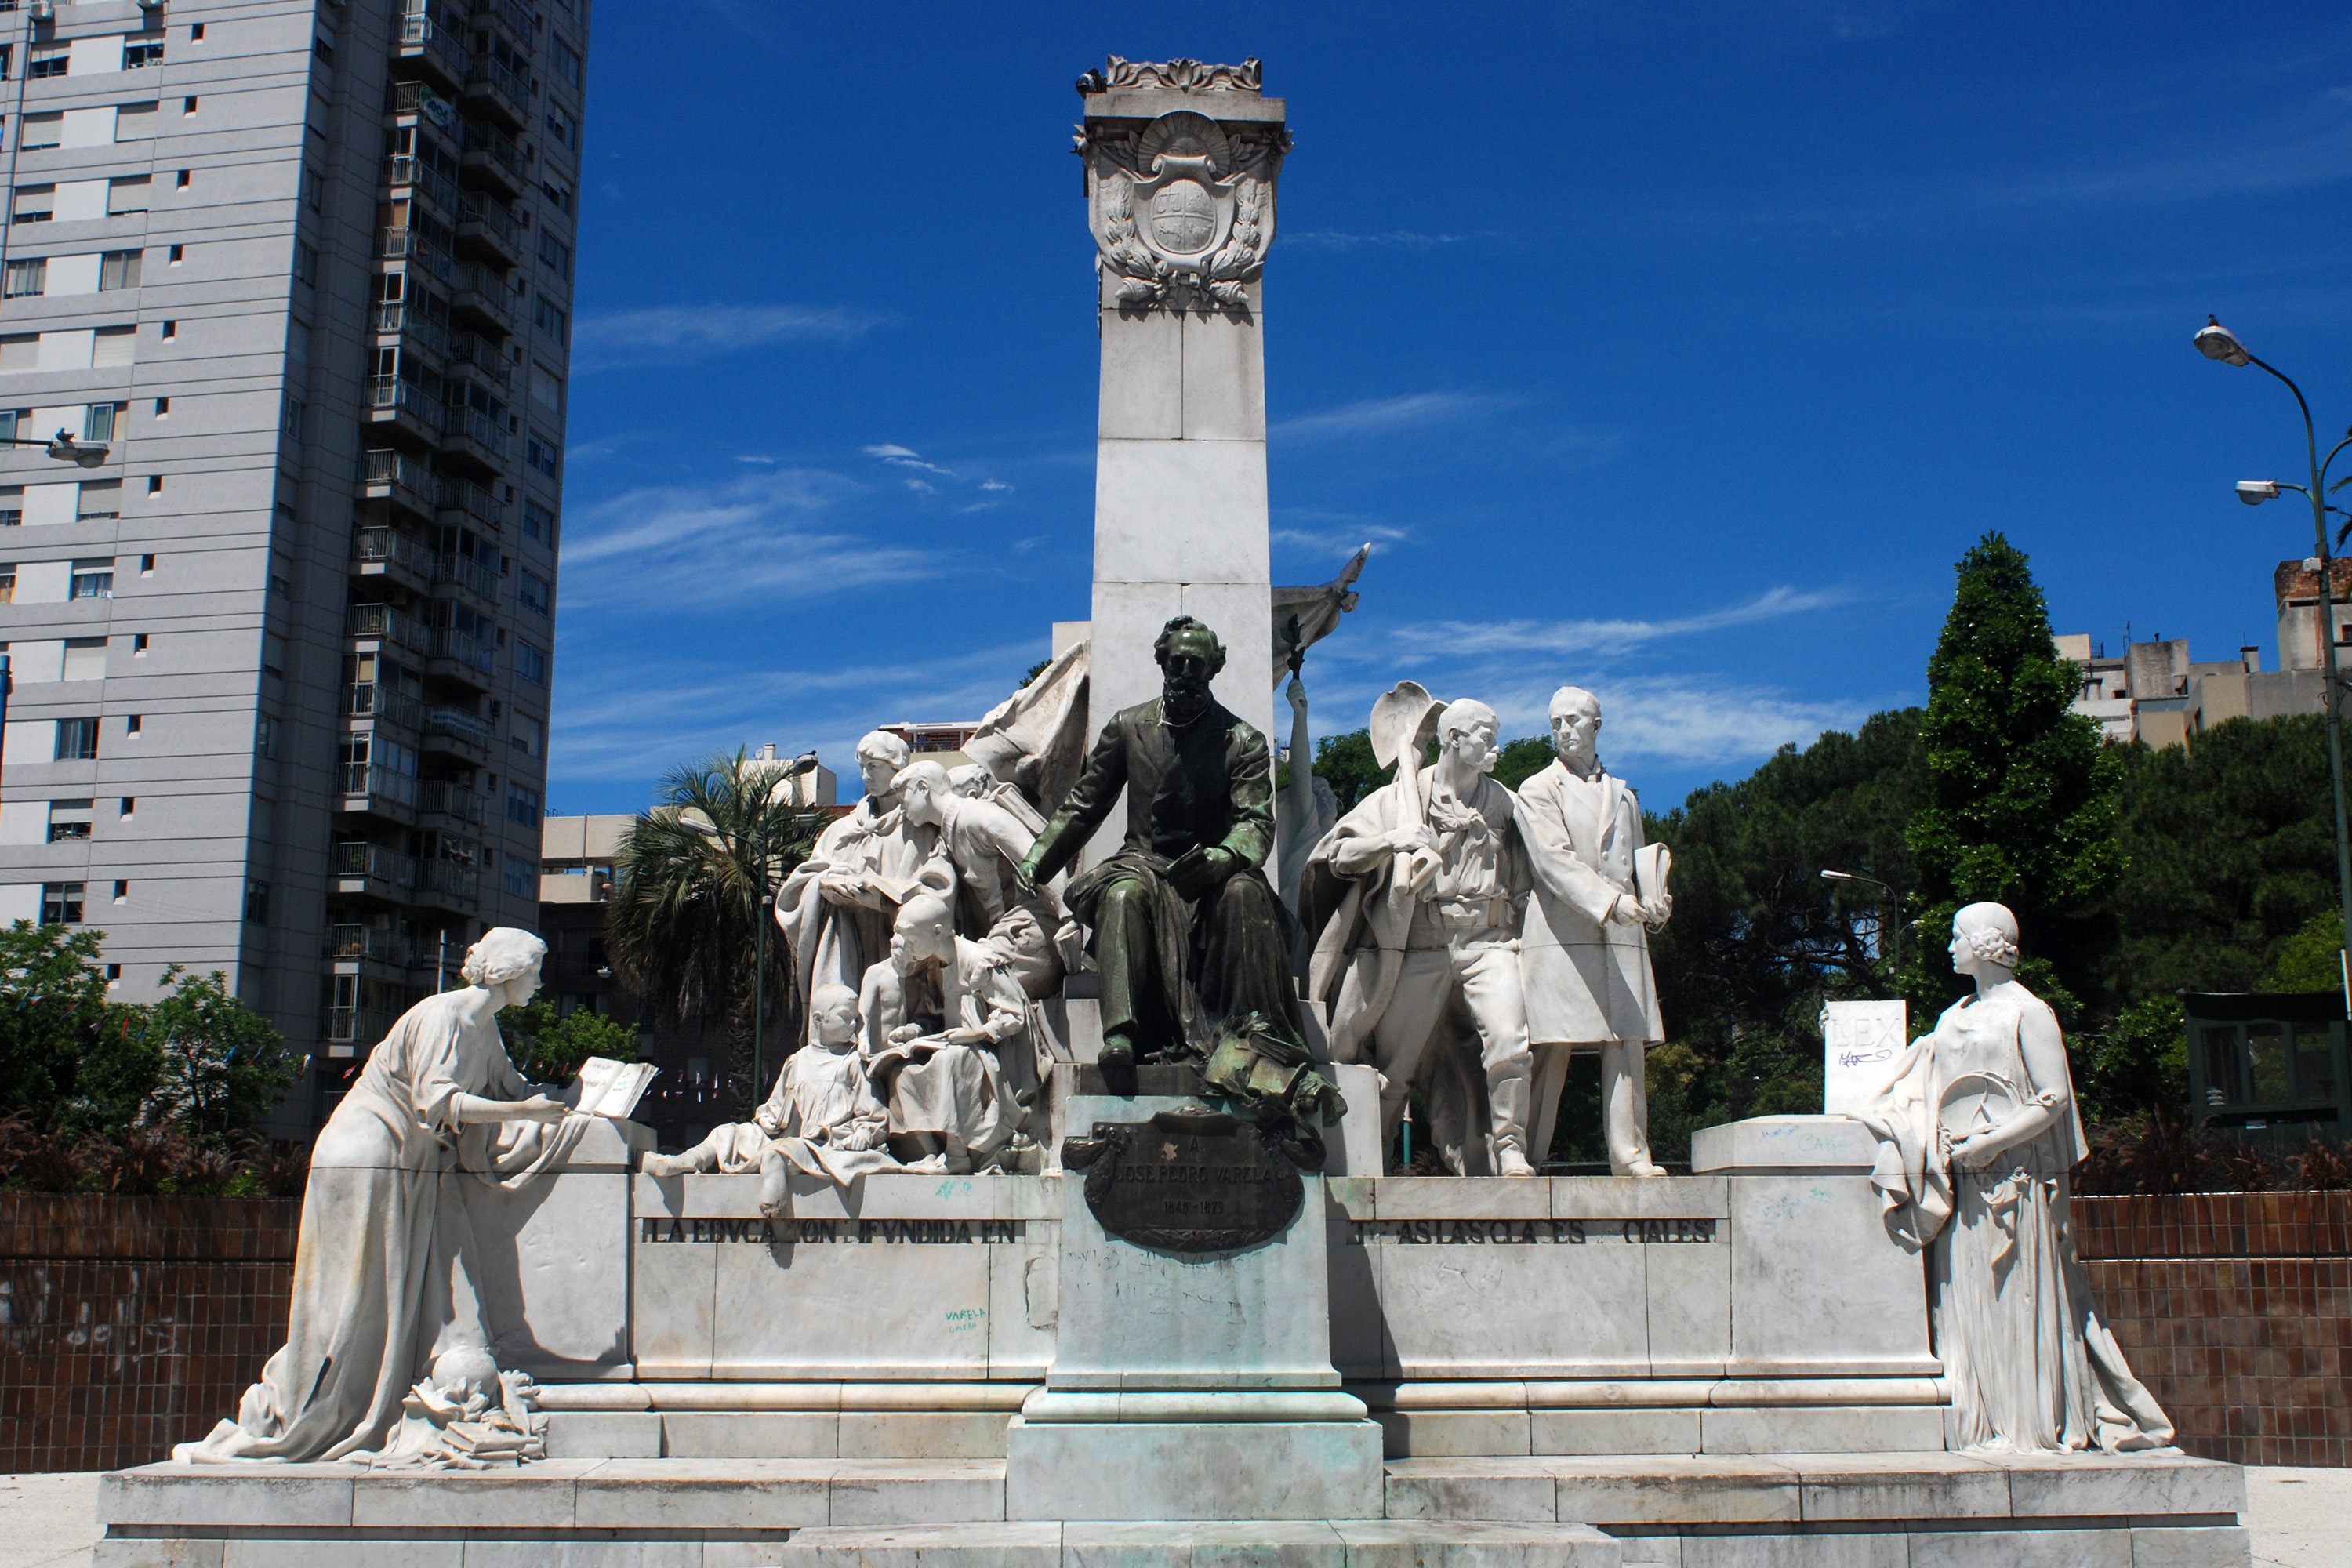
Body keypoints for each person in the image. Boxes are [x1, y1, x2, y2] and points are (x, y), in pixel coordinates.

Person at [175, 929, 575, 1464]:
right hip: (366, 1154)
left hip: (404, 1163)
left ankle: (358, 1402)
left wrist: (580, 1095)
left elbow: (514, 1088)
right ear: (507, 972)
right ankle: (304, 1411)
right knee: (346, 1304)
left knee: (378, 1305)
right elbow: (440, 1102)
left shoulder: (484, 1028)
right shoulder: (443, 1016)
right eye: (535, 970)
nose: (540, 983)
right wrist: (526, 1115)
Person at [1857, 904, 2175, 1454]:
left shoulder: (2030, 1013)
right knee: (1966, 1305)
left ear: (1985, 943)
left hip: (2014, 1184)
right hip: (1964, 1181)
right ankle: (1978, 1422)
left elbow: (2052, 1099)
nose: (1950, 947)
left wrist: (1991, 1142)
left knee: (2015, 1301)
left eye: (1957, 937)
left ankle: (2026, 1425)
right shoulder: (1952, 1016)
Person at [1017, 615, 1306, 1075]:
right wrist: (1037, 859)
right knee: (1122, 895)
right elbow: (1085, 803)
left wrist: (1225, 856)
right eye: (1177, 663)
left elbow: (1255, 820)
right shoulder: (1129, 726)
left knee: (1243, 894)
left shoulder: (1242, 740)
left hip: (1209, 869)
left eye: (1197, 665)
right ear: (1162, 663)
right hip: (1142, 863)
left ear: (1214, 669)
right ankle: (1120, 1040)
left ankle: (1251, 1035)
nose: (1186, 674)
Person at [1303, 698, 1537, 1174]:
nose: (1496, 748)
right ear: (1453, 739)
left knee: (1511, 1045)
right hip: (1419, 946)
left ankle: (1510, 1149)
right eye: (1486, 737)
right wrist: (1395, 840)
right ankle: (1374, 1158)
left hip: (1488, 942)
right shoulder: (1399, 799)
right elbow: (1338, 855)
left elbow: (1540, 873)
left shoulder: (1506, 803)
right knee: (1395, 1070)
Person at [1515, 686, 1671, 1178]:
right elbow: (1553, 862)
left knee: (1625, 1045)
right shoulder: (1537, 789)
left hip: (1621, 932)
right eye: (1555, 722)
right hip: (1562, 933)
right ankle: (1529, 1155)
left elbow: (1638, 862)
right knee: (1551, 1047)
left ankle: (1630, 1154)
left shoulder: (1624, 794)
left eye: (1573, 721)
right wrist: (1611, 904)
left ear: (1595, 726)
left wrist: (1654, 904)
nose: (1563, 731)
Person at [640, 983, 895, 1214]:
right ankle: (685, 1162)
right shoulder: (798, 1061)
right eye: (845, 1017)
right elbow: (775, 1110)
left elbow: (874, 1114)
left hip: (825, 1143)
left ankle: (774, 1200)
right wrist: (765, 1123)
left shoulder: (853, 1063)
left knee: (781, 1152)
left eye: (855, 1019)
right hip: (786, 1136)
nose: (853, 1025)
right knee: (726, 1133)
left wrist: (864, 1135)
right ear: (819, 1019)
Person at [775, 729, 938, 1041]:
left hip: (898, 945)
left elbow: (937, 890)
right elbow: (804, 883)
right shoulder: (842, 830)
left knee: (891, 1028)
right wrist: (826, 885)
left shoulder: (920, 826)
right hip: (847, 938)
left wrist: (884, 899)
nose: (865, 775)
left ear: (898, 768)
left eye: (874, 766)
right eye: (862, 767)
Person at [861, 890, 1033, 1173]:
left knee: (951, 1060)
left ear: (938, 932)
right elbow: (931, 1017)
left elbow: (1015, 1014)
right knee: (902, 1072)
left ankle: (957, 1156)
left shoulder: (979, 961)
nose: (907, 945)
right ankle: (929, 1151)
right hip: (949, 1043)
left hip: (988, 1051)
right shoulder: (934, 967)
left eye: (913, 938)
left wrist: (976, 1034)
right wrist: (913, 1031)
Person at [898, 759, 1067, 999]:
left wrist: (1068, 916)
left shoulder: (979, 816)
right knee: (942, 976)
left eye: (903, 799)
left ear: (924, 788)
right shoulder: (948, 833)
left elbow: (1046, 859)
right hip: (1002, 932)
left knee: (970, 982)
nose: (902, 810)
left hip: (1031, 933)